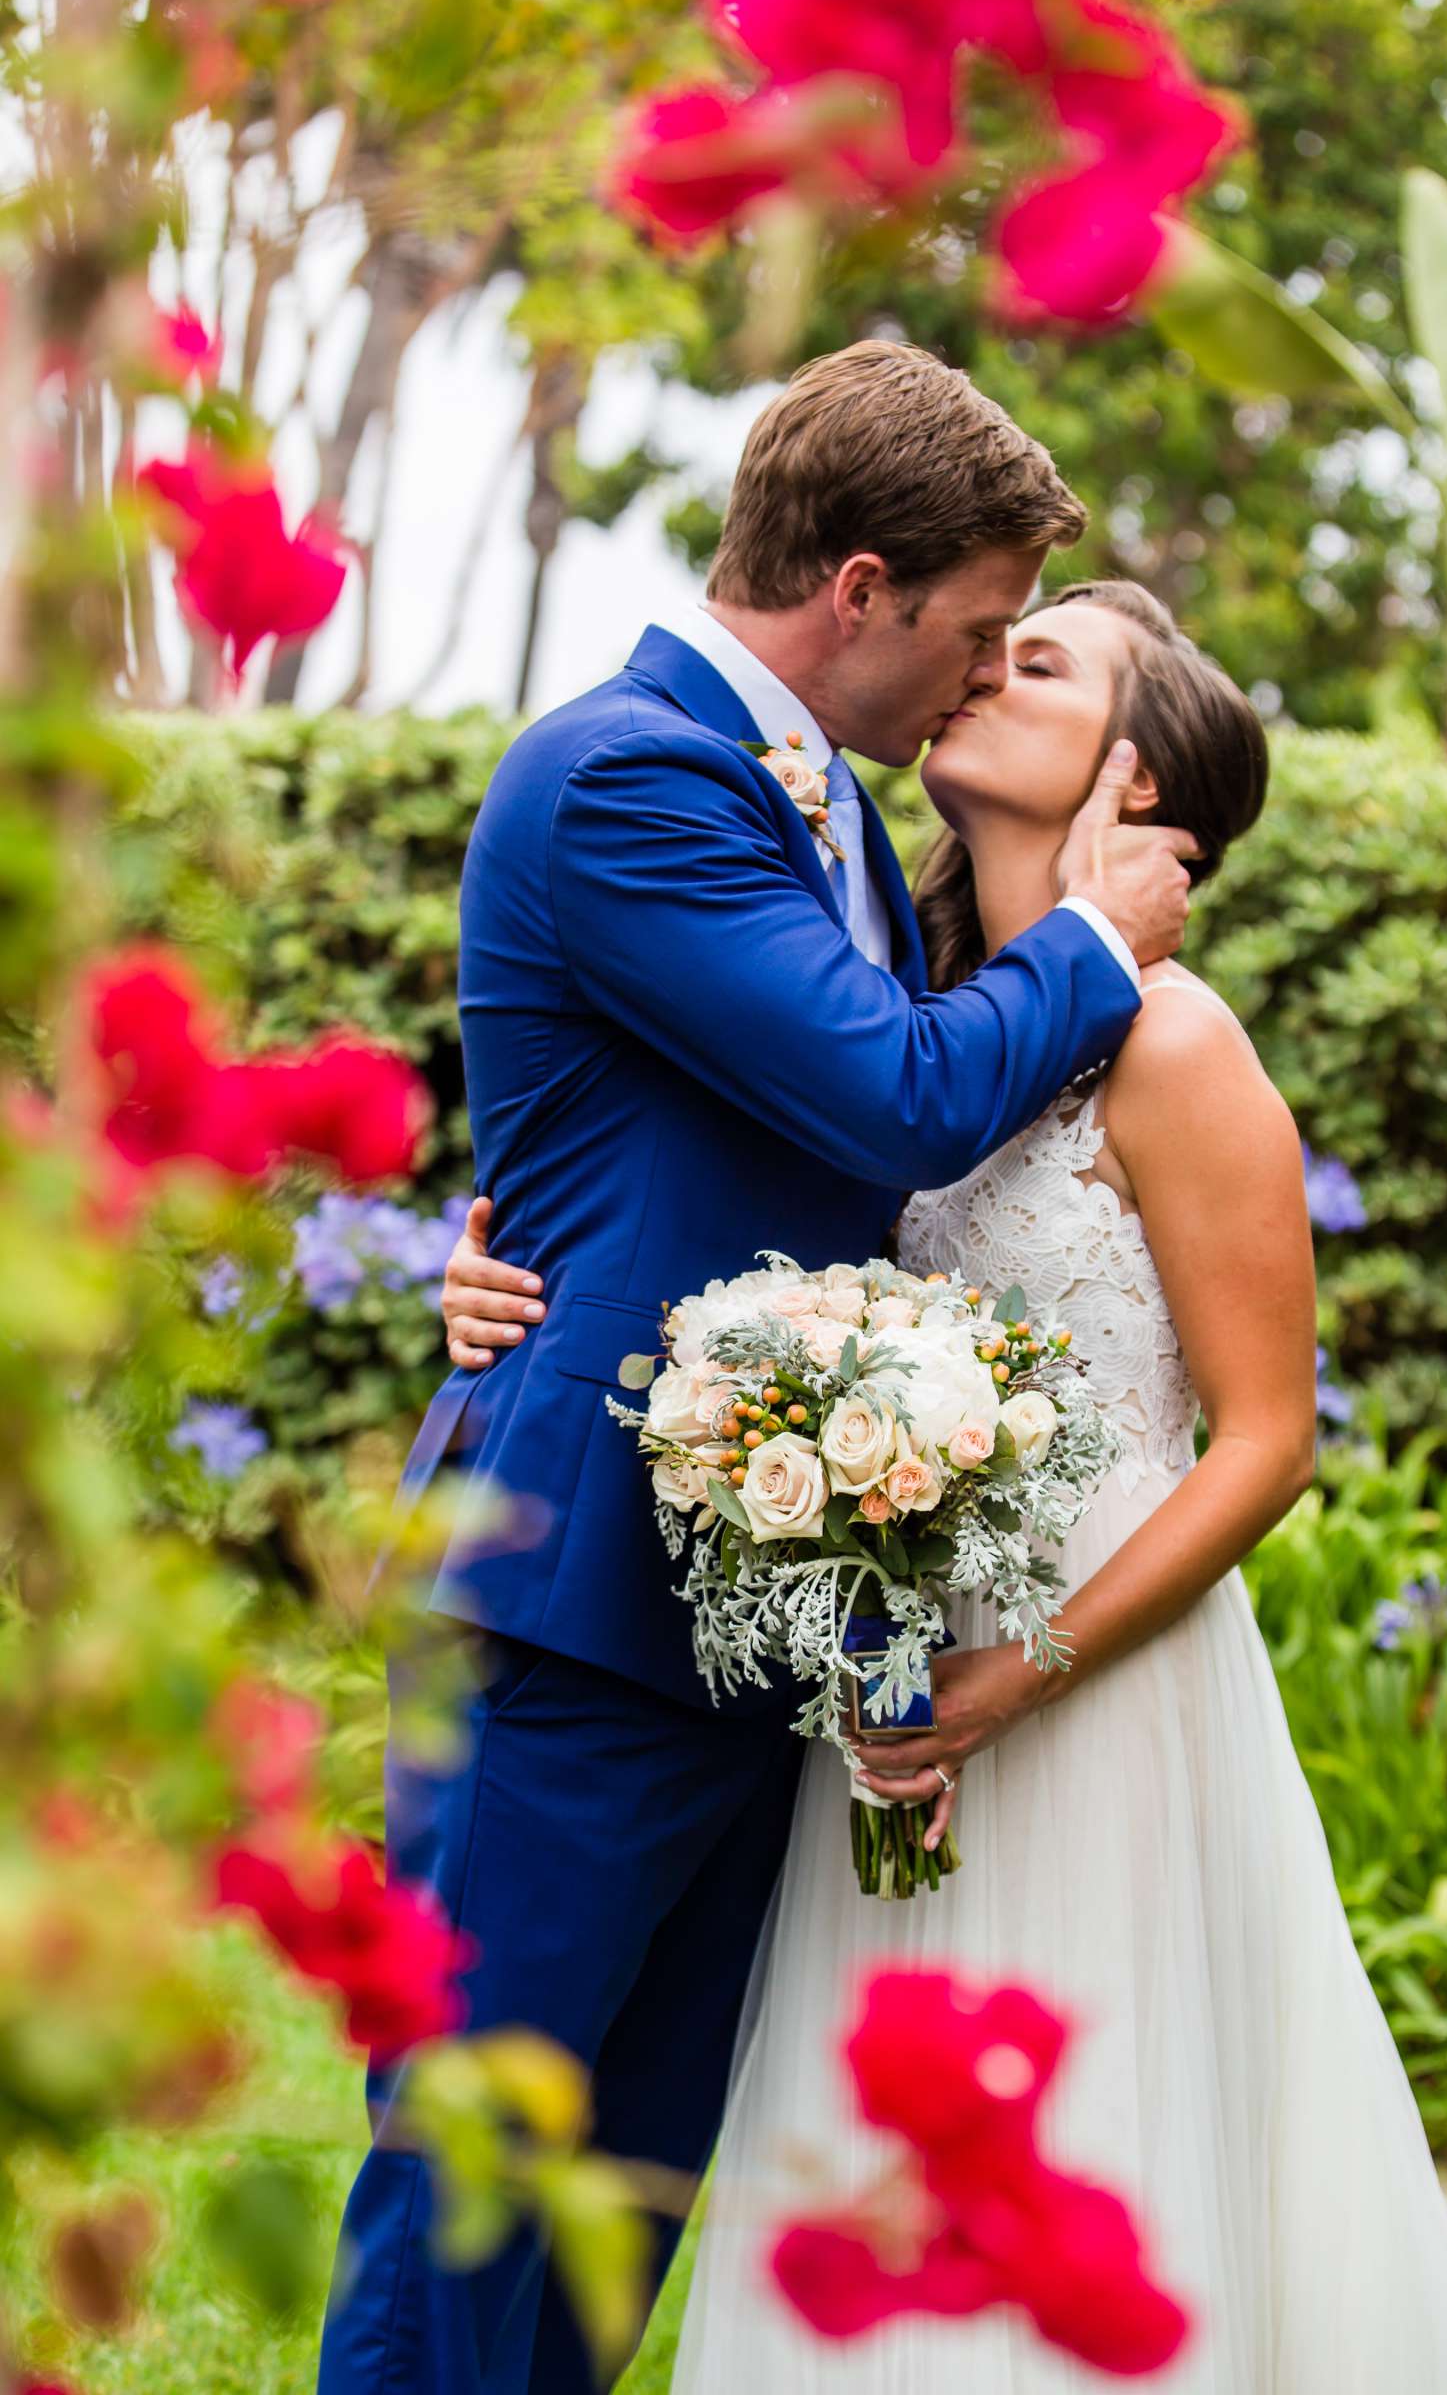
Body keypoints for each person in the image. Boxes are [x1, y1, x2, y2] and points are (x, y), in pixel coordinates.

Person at [446, 583, 1447, 2393]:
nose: (977, 669)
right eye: (986, 638)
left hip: (1089, 1695)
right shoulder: (923, 1021)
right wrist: (491, 1269)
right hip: (885, 1686)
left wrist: (1008, 1683)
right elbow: (712, 1184)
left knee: (1093, 2149)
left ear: (1132, 778)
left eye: (1033, 662)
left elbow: (1267, 1441)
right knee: (869, 2161)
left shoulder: (1179, 1049)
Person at [317, 343, 1193, 2395]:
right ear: (863, 587)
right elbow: (894, 1096)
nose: (977, 682)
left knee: (616, 2198)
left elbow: (706, 1141)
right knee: (470, 2189)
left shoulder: (827, 822)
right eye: (975, 634)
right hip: (568, 1605)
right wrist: (1090, 940)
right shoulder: (633, 770)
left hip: (744, 1610)